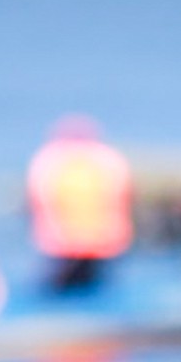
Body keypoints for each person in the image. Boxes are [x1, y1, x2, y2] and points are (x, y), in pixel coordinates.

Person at [25, 115, 132, 296]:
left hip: (62, 245)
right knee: (99, 290)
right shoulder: (109, 159)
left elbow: (36, 202)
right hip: (103, 243)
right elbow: (124, 198)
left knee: (58, 292)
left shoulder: (49, 160)